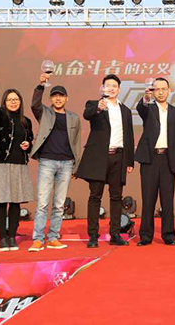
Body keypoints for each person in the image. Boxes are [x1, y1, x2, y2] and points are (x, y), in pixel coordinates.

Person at [75, 74, 135, 248]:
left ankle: (115, 233)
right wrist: (98, 108)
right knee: (95, 196)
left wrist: (129, 160)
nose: (111, 88)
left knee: (116, 197)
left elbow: (129, 136)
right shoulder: (94, 104)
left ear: (119, 89)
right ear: (102, 88)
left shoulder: (125, 110)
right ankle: (93, 235)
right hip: (99, 157)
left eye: (114, 86)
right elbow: (87, 115)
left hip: (119, 156)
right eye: (107, 85)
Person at [28, 73, 81, 252]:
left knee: (59, 205)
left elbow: (76, 142)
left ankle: (53, 237)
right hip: (47, 161)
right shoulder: (45, 113)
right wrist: (41, 85)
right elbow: (34, 104)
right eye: (55, 96)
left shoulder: (74, 118)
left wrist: (76, 165)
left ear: (67, 98)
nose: (58, 98)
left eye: (61, 96)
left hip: (66, 163)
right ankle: (37, 239)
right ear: (51, 98)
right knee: (42, 203)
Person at [135, 77, 175, 246]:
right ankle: (145, 236)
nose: (161, 92)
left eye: (164, 89)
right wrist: (146, 98)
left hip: (168, 159)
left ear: (169, 90)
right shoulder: (148, 109)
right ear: (153, 91)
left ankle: (169, 235)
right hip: (150, 159)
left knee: (167, 200)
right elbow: (141, 108)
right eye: (157, 89)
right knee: (148, 199)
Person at [0, 89, 35, 252]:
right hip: (1, 164)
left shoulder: (26, 121)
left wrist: (28, 145)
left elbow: (30, 141)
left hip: (19, 164)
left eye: (16, 99)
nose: (13, 102)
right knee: (1, 202)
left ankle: (12, 236)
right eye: (9, 100)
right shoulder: (0, 119)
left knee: (15, 202)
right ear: (4, 103)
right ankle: (2, 237)